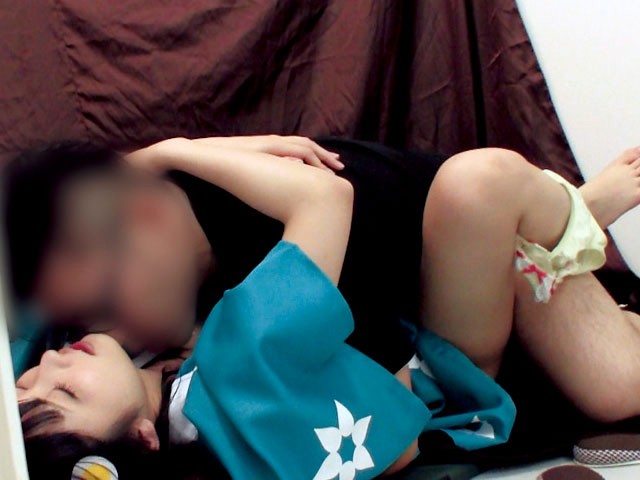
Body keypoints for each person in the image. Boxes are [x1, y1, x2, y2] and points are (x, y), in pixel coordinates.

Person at [14, 140, 517, 480]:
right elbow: (324, 196)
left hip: (431, 382)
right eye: (64, 390)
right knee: (484, 184)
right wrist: (172, 152)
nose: (53, 359)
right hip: (456, 379)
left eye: (22, 383)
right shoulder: (237, 360)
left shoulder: (117, 384)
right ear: (141, 440)